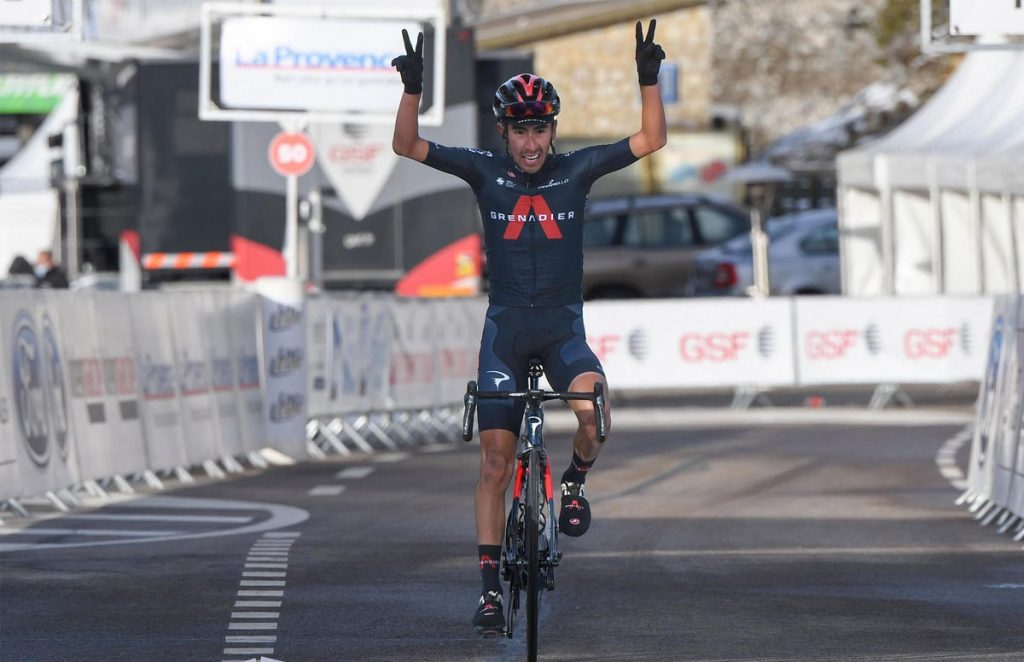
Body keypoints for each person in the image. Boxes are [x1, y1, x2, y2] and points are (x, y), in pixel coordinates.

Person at [392, 20, 667, 632]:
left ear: (552, 129)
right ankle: (490, 589)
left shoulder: (577, 170)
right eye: (521, 129)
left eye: (540, 128)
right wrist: (412, 91)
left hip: (563, 329)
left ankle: (571, 484)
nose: (531, 142)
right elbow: (407, 147)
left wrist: (648, 80)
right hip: (506, 333)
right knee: (494, 463)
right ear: (505, 131)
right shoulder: (485, 171)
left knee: (594, 408)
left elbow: (651, 138)